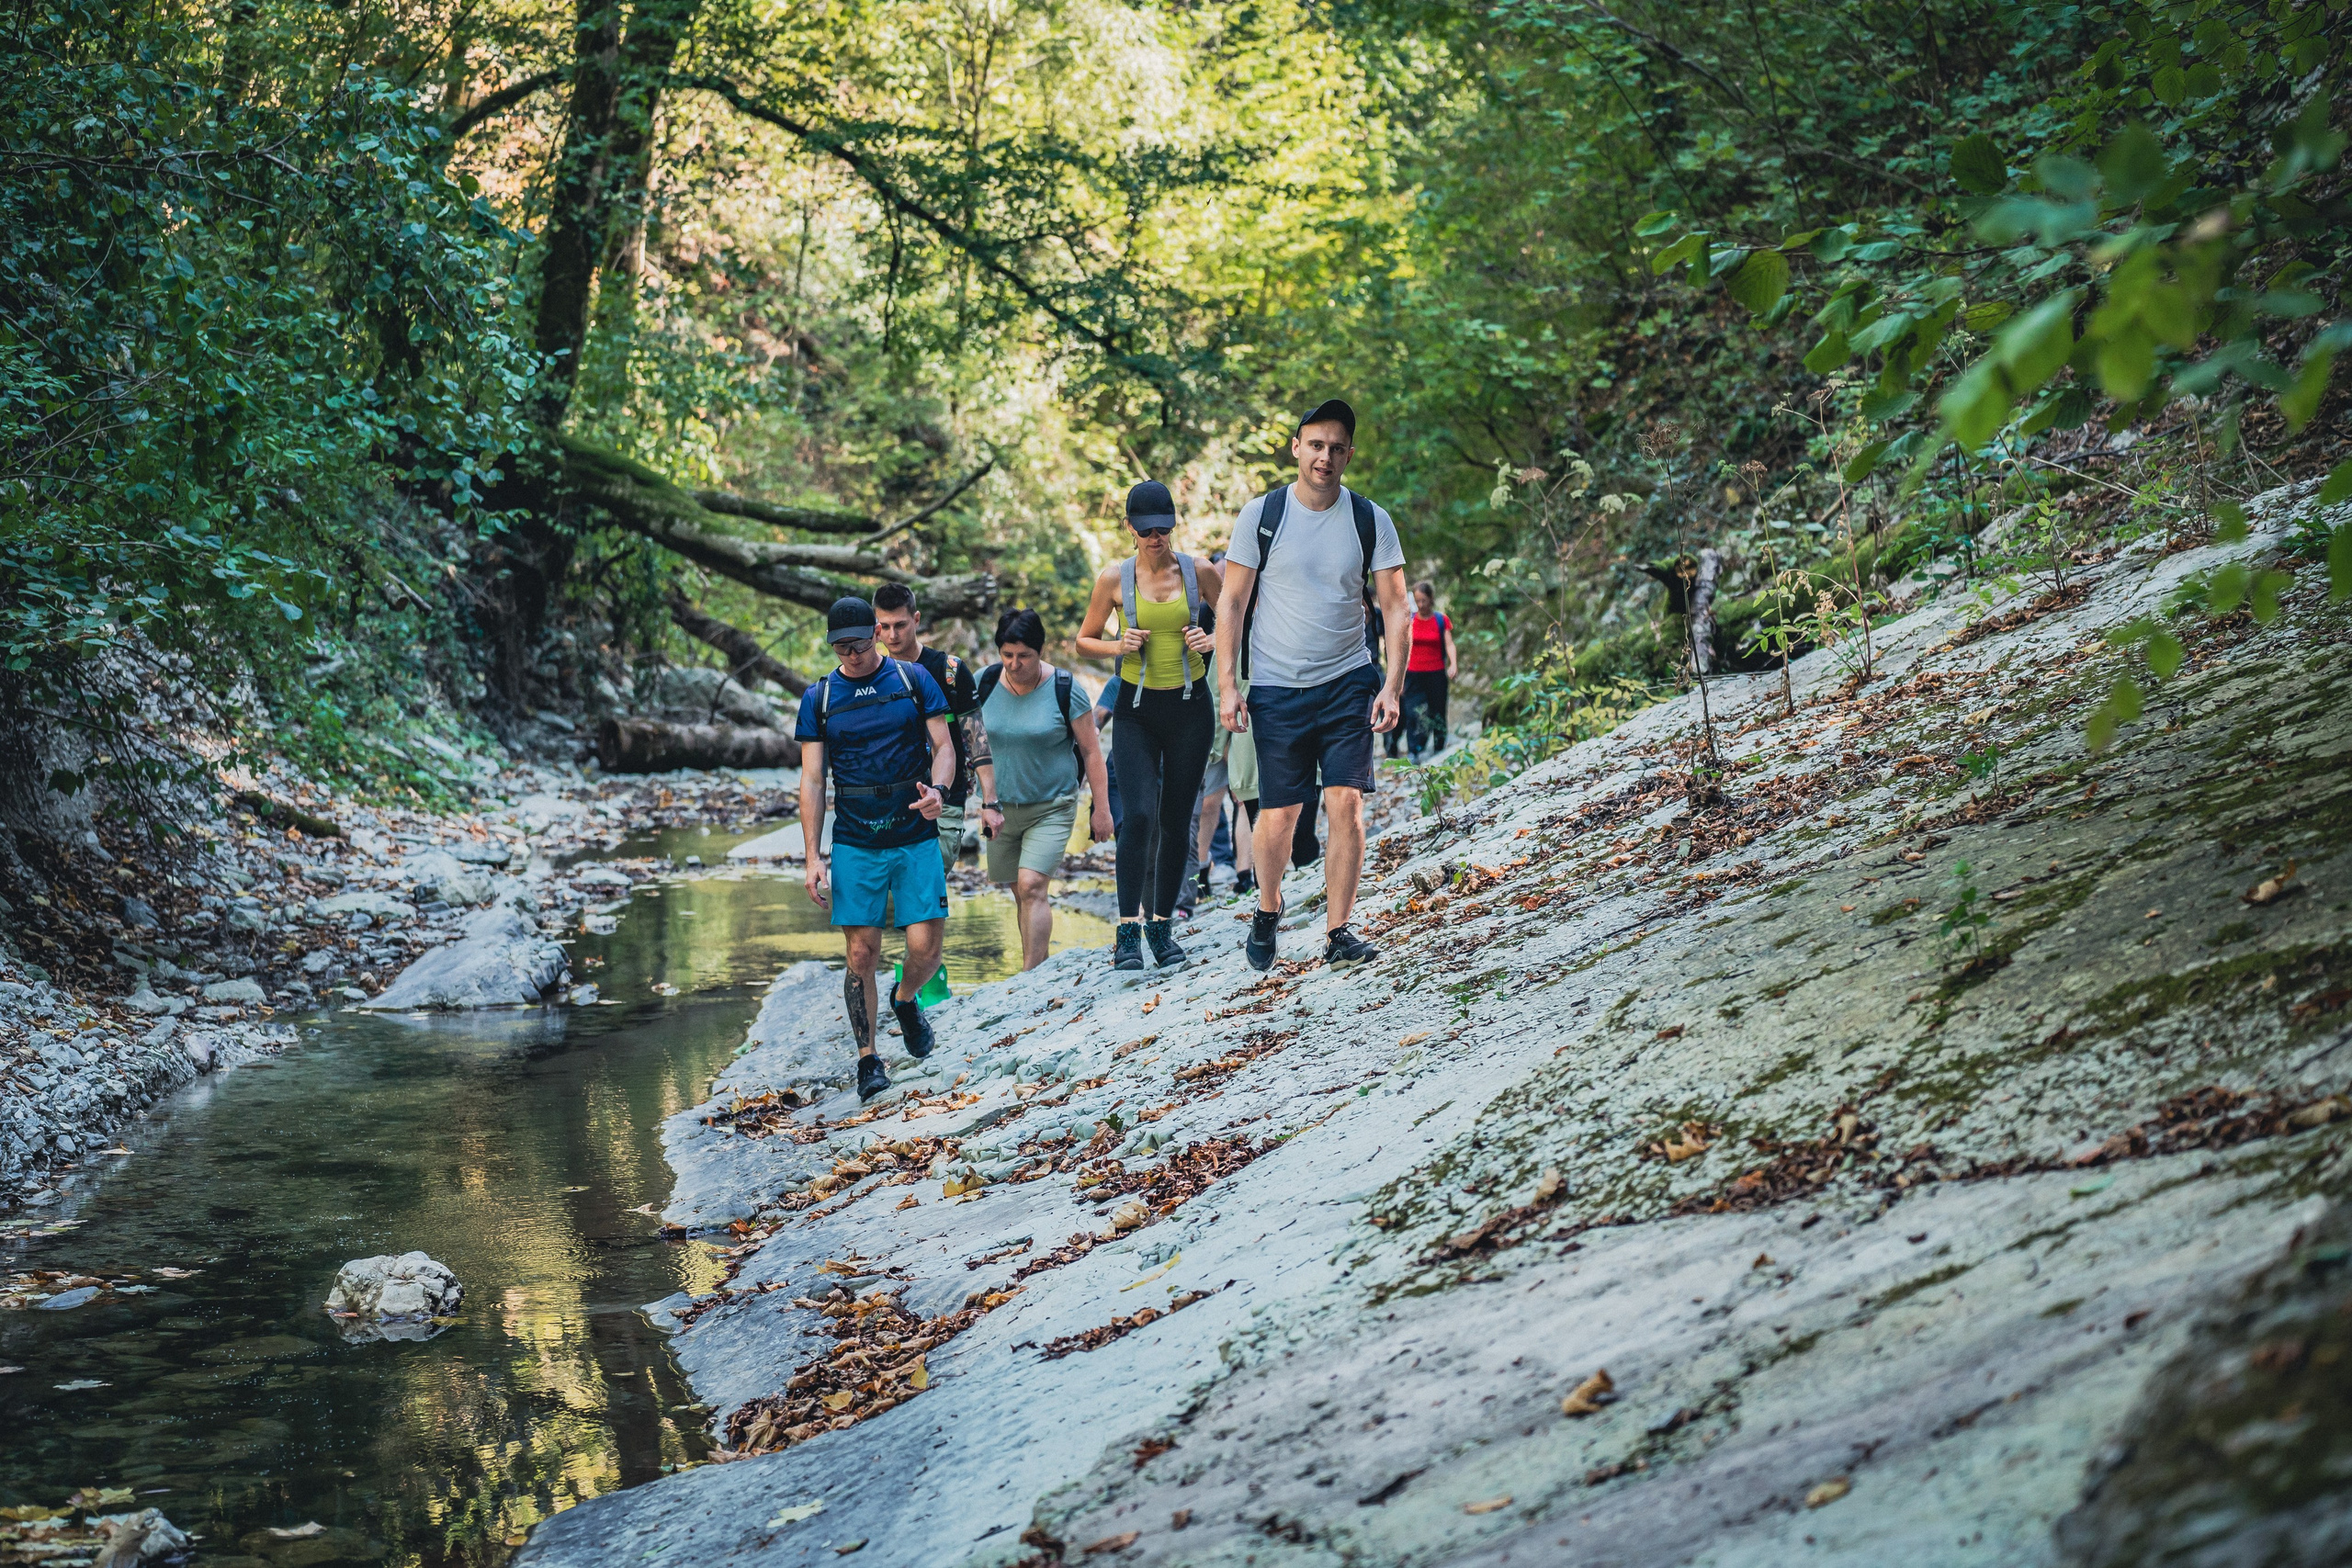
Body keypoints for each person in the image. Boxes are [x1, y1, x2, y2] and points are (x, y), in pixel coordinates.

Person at [1215, 398, 1408, 973]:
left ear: (1349, 455)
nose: (1325, 456)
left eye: (1336, 447)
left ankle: (1340, 929)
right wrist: (1229, 685)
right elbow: (1231, 601)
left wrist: (1391, 685)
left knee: (1345, 802)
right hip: (1276, 686)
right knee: (1279, 813)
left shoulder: (1369, 519)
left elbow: (1397, 608)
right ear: (1297, 448)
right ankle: (1268, 908)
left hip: (1348, 679)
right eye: (1315, 445)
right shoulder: (1262, 515)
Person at [796, 596, 958, 1102]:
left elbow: (945, 746)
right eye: (842, 648)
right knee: (861, 951)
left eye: (860, 645)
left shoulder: (913, 680)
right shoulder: (819, 697)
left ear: (877, 635)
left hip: (913, 830)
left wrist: (939, 792)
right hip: (856, 838)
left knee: (925, 949)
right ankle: (868, 1059)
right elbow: (813, 779)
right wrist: (812, 855)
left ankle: (906, 999)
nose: (853, 655)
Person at [1075, 479, 1223, 971]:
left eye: (1163, 529)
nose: (1155, 538)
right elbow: (1083, 641)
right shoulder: (1112, 580)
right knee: (1137, 815)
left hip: (1190, 708)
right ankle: (1126, 932)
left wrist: (1212, 639)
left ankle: (1161, 928)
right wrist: (1119, 647)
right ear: (1130, 529)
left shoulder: (1198, 571)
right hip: (1137, 712)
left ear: (1173, 526)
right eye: (1146, 530)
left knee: (1177, 817)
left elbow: (1237, 618)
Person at [975, 608, 1114, 971]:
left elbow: (1091, 752)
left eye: (1025, 656)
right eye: (1007, 655)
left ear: (1041, 652)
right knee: (1018, 890)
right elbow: (967, 739)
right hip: (999, 808)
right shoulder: (983, 684)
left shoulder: (1066, 689)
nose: (1015, 664)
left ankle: (1030, 978)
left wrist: (1102, 809)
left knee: (1033, 884)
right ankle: (1035, 965)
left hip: (1052, 805)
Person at [872, 583, 998, 872]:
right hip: (890, 806)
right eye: (885, 627)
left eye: (901, 625)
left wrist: (990, 802)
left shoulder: (949, 671)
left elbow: (977, 738)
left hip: (946, 800)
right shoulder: (872, 677)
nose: (892, 635)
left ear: (916, 620)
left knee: (926, 893)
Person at [1403, 581, 1458, 761]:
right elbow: (1402, 649)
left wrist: (1453, 664)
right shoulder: (1409, 621)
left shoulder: (1441, 620)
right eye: (1417, 601)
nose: (1420, 605)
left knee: (1438, 711)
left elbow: (1449, 644)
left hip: (1436, 673)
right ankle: (1414, 750)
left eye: (1424, 600)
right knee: (1412, 712)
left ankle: (1439, 747)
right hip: (1413, 674)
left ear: (1431, 599)